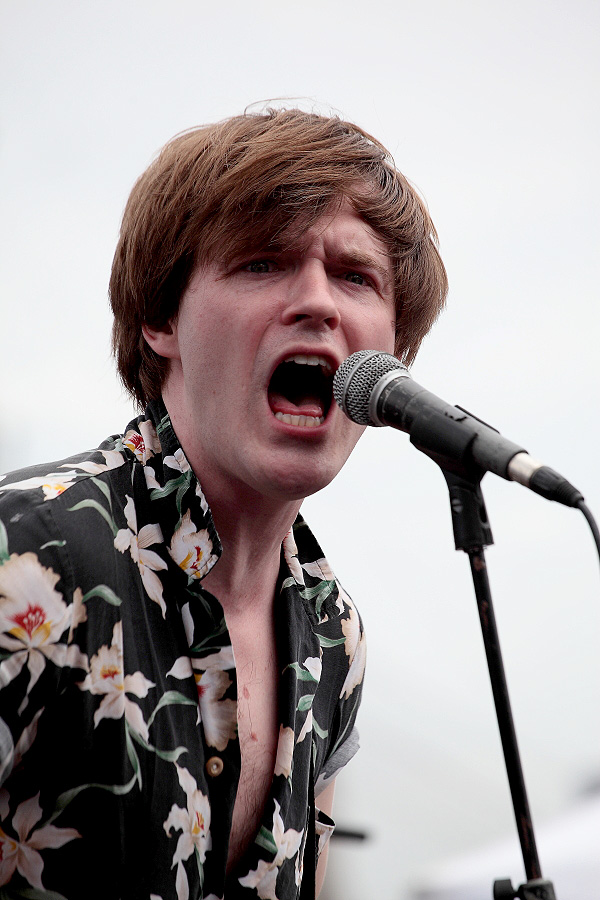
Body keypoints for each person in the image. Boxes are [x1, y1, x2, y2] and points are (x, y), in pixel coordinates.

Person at [0, 108, 447, 900]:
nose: (318, 303)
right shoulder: (26, 554)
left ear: (393, 351)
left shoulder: (332, 630)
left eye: (355, 276)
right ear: (161, 319)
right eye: (262, 264)